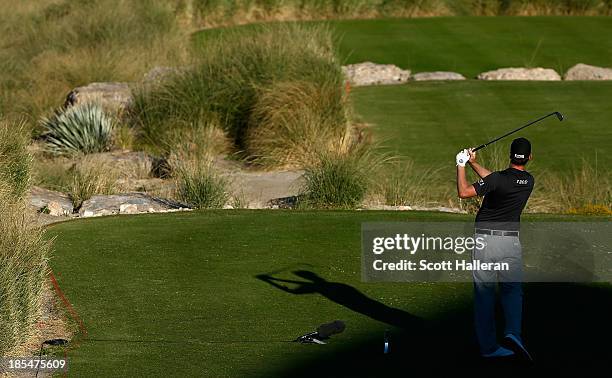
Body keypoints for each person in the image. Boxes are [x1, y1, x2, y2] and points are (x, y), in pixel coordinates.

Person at [455, 137, 534, 360]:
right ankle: (513, 333)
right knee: (512, 290)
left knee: (484, 295)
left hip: (485, 242)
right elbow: (495, 181)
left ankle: (489, 348)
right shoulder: (528, 181)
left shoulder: (498, 179)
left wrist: (461, 165)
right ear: (529, 157)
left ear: (511, 155)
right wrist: (473, 163)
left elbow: (464, 191)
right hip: (510, 243)